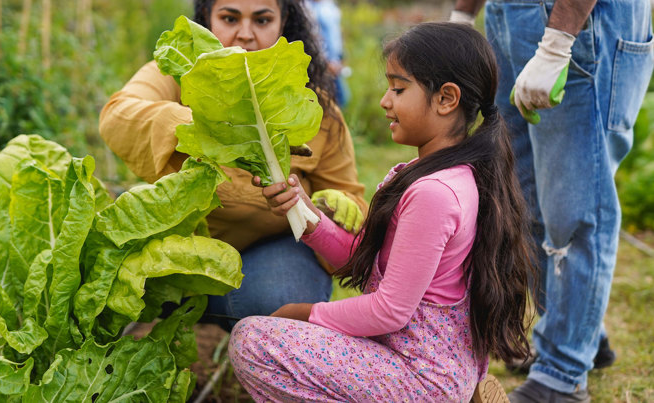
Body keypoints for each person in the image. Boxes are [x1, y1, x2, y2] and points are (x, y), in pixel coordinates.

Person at [228, 22, 537, 402]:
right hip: (421, 362)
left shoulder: (434, 194)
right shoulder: (448, 176)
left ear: (446, 99)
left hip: (420, 374)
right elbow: (371, 260)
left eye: (399, 88)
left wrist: (307, 312)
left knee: (253, 340)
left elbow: (390, 311)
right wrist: (306, 215)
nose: (385, 101)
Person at [99, 0, 367, 333]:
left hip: (265, 254)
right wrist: (205, 128)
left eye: (262, 20)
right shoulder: (178, 68)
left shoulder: (315, 105)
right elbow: (118, 115)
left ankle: (244, 331)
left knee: (286, 297)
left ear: (284, 24)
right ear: (207, 22)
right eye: (229, 18)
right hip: (173, 250)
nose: (245, 34)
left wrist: (333, 205)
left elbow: (349, 195)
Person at [450, 0, 654, 401]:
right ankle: (578, 332)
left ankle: (561, 374)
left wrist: (558, 42)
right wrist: (463, 15)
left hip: (581, 21)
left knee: (576, 207)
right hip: (509, 16)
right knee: (522, 198)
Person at [306, 0, 350, 107]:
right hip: (321, 63)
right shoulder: (306, 7)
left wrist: (341, 57)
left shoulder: (329, 5)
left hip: (335, 61)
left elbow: (336, 34)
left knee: (341, 99)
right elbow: (311, 39)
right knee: (324, 100)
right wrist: (324, 63)